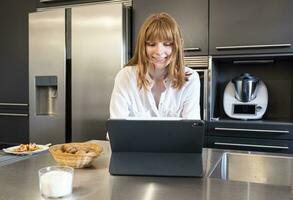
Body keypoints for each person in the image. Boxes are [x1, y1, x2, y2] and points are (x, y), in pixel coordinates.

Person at [110, 12, 200, 119]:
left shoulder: (191, 78)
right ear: (142, 46)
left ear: (177, 45)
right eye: (151, 44)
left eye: (167, 44)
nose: (159, 51)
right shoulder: (125, 77)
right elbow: (117, 129)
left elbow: (191, 131)